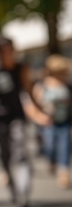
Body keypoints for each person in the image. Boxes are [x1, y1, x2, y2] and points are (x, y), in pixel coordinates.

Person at [0, 35, 51, 207]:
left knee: (20, 151)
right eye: (3, 52)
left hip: (17, 116)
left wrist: (39, 111)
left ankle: (23, 192)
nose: (7, 55)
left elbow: (29, 91)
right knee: (5, 154)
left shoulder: (21, 68)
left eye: (10, 51)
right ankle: (13, 187)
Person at [33, 54, 72, 189]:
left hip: (64, 120)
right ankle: (52, 161)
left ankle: (63, 171)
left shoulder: (67, 85)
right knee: (49, 146)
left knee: (65, 145)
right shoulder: (43, 84)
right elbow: (35, 101)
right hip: (48, 121)